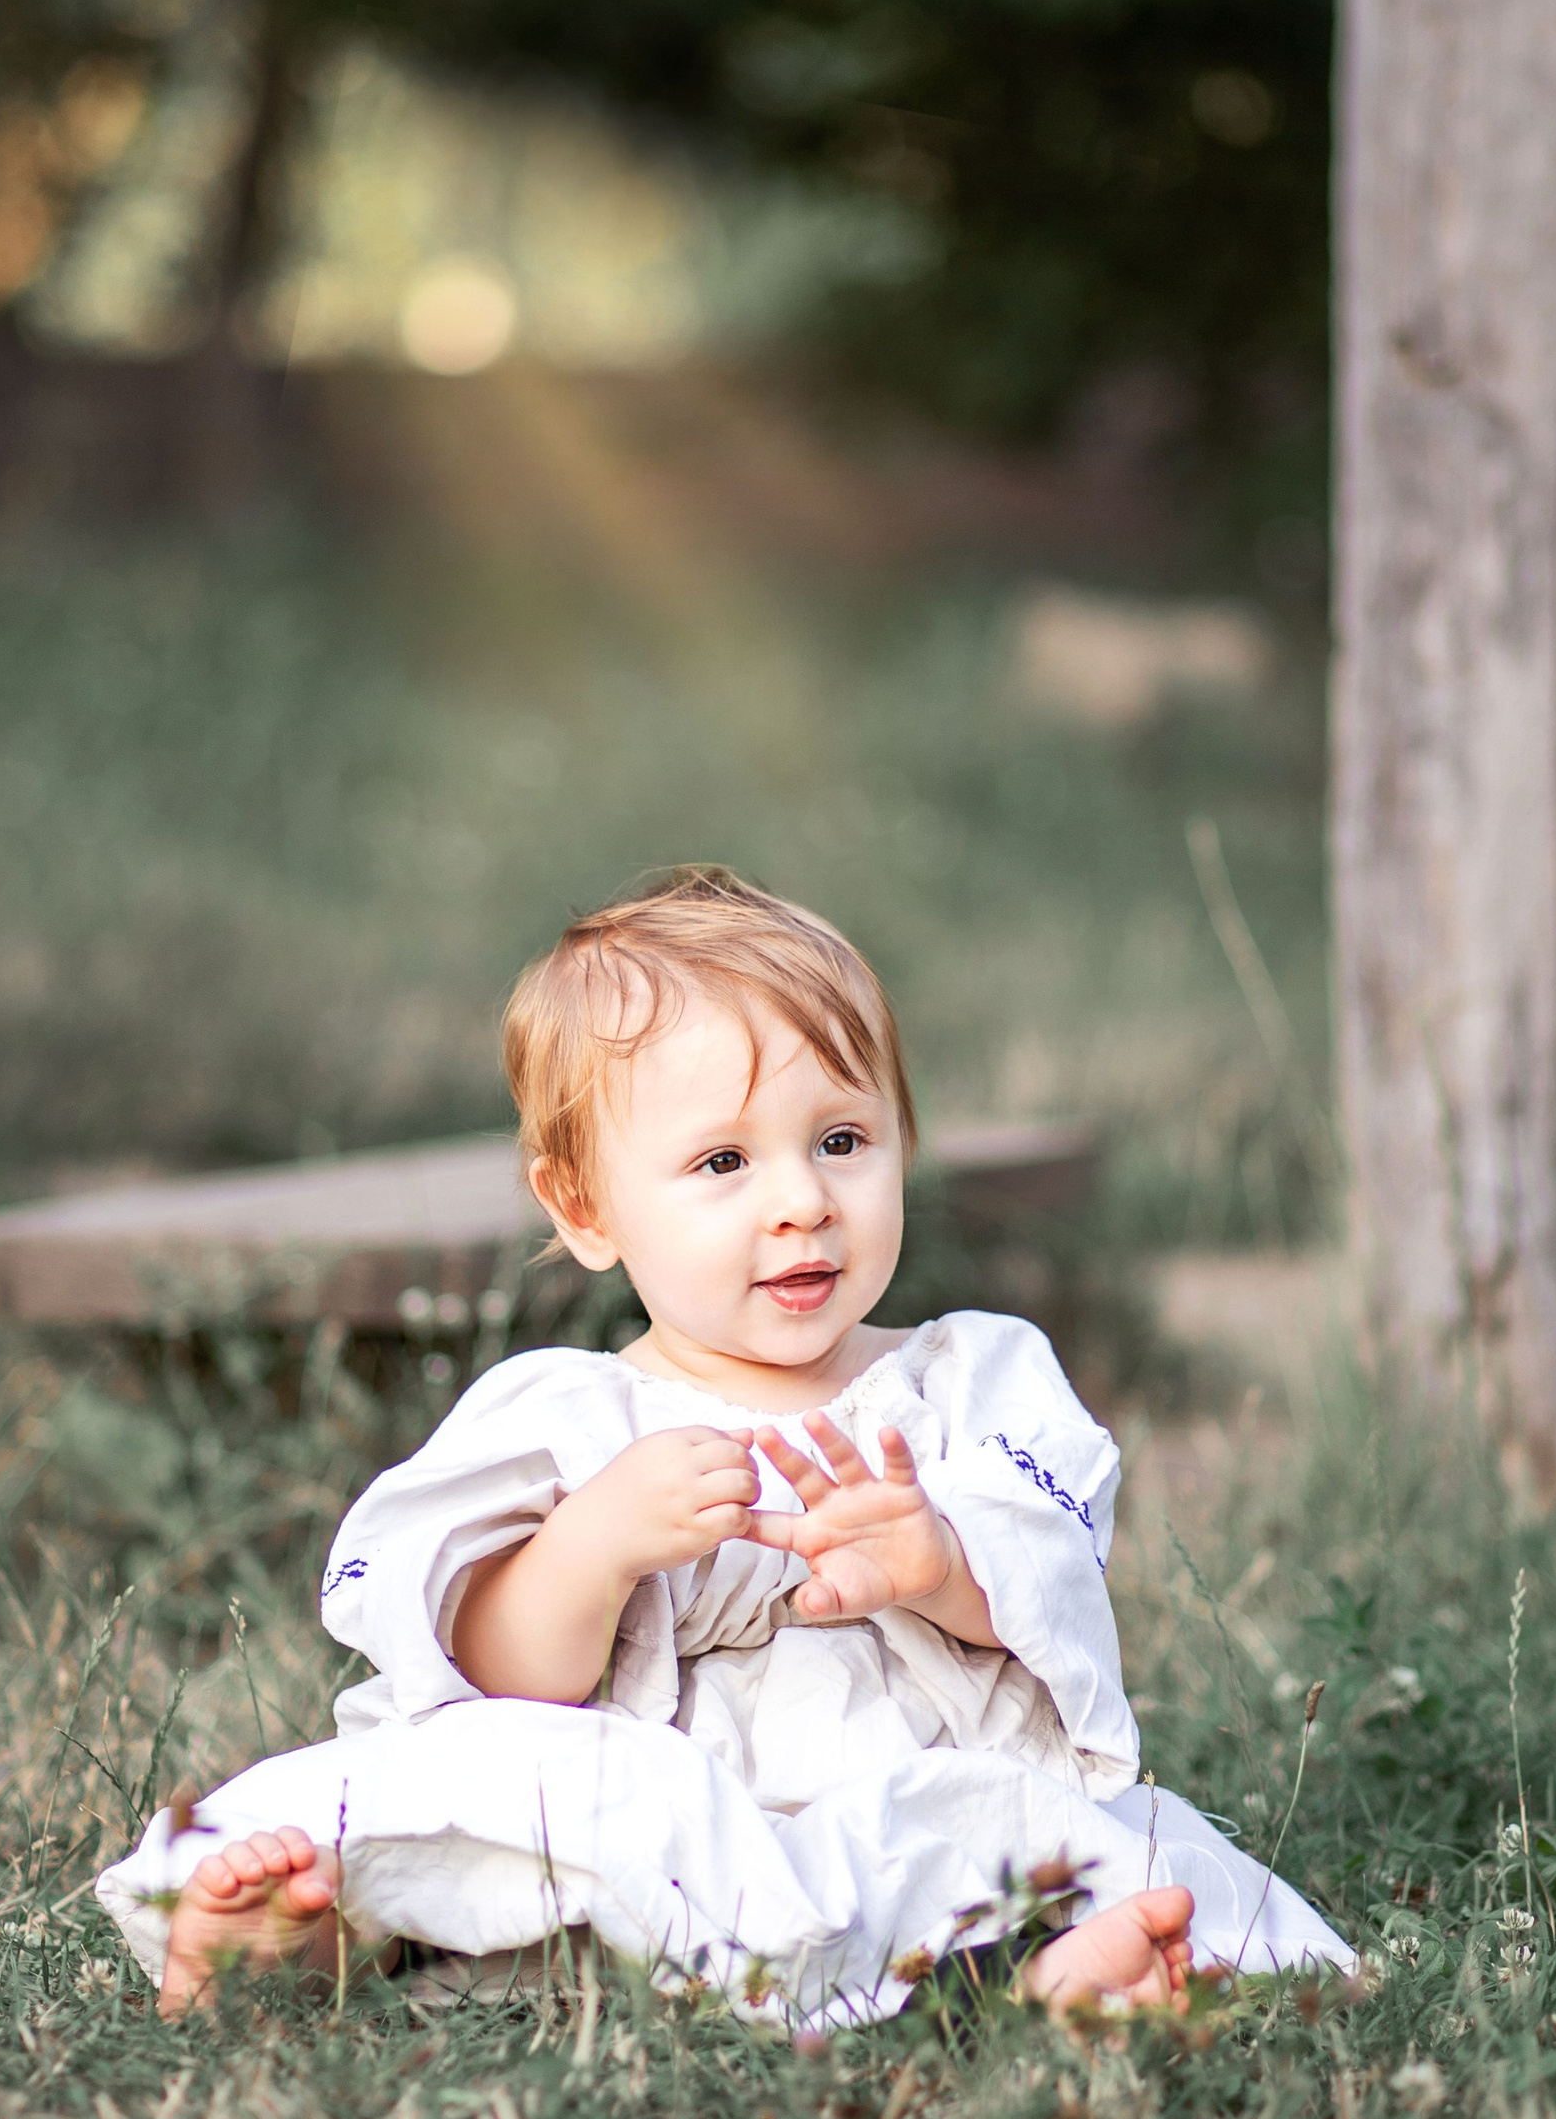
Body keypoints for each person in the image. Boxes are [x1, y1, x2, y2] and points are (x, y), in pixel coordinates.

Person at [95, 868, 1352, 2027]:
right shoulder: (563, 1420)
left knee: (1029, 1843)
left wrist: (939, 1565)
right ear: (586, 1208)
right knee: (470, 1799)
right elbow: (487, 1671)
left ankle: (1062, 1974)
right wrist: (587, 1551)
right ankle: (287, 1934)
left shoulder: (969, 1380)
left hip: (901, 1804)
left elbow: (1049, 1579)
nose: (801, 1198)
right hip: (648, 1818)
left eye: (842, 1141)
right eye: (723, 1161)